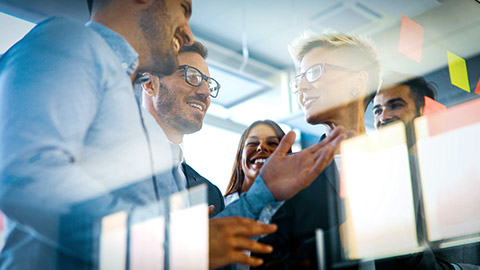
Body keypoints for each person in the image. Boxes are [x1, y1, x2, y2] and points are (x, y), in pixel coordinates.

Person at [0, 0, 195, 269]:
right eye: (184, 8)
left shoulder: (149, 128)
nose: (189, 34)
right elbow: (28, 177)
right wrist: (162, 246)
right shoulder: (67, 41)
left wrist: (262, 192)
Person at [141, 40, 349, 269]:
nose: (204, 92)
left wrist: (263, 192)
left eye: (208, 84)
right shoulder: (111, 164)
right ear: (150, 83)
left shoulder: (209, 193)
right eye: (191, 76)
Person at [224, 120, 290, 205]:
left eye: (272, 143)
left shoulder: (298, 208)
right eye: (252, 143)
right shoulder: (219, 207)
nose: (261, 147)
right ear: (240, 160)